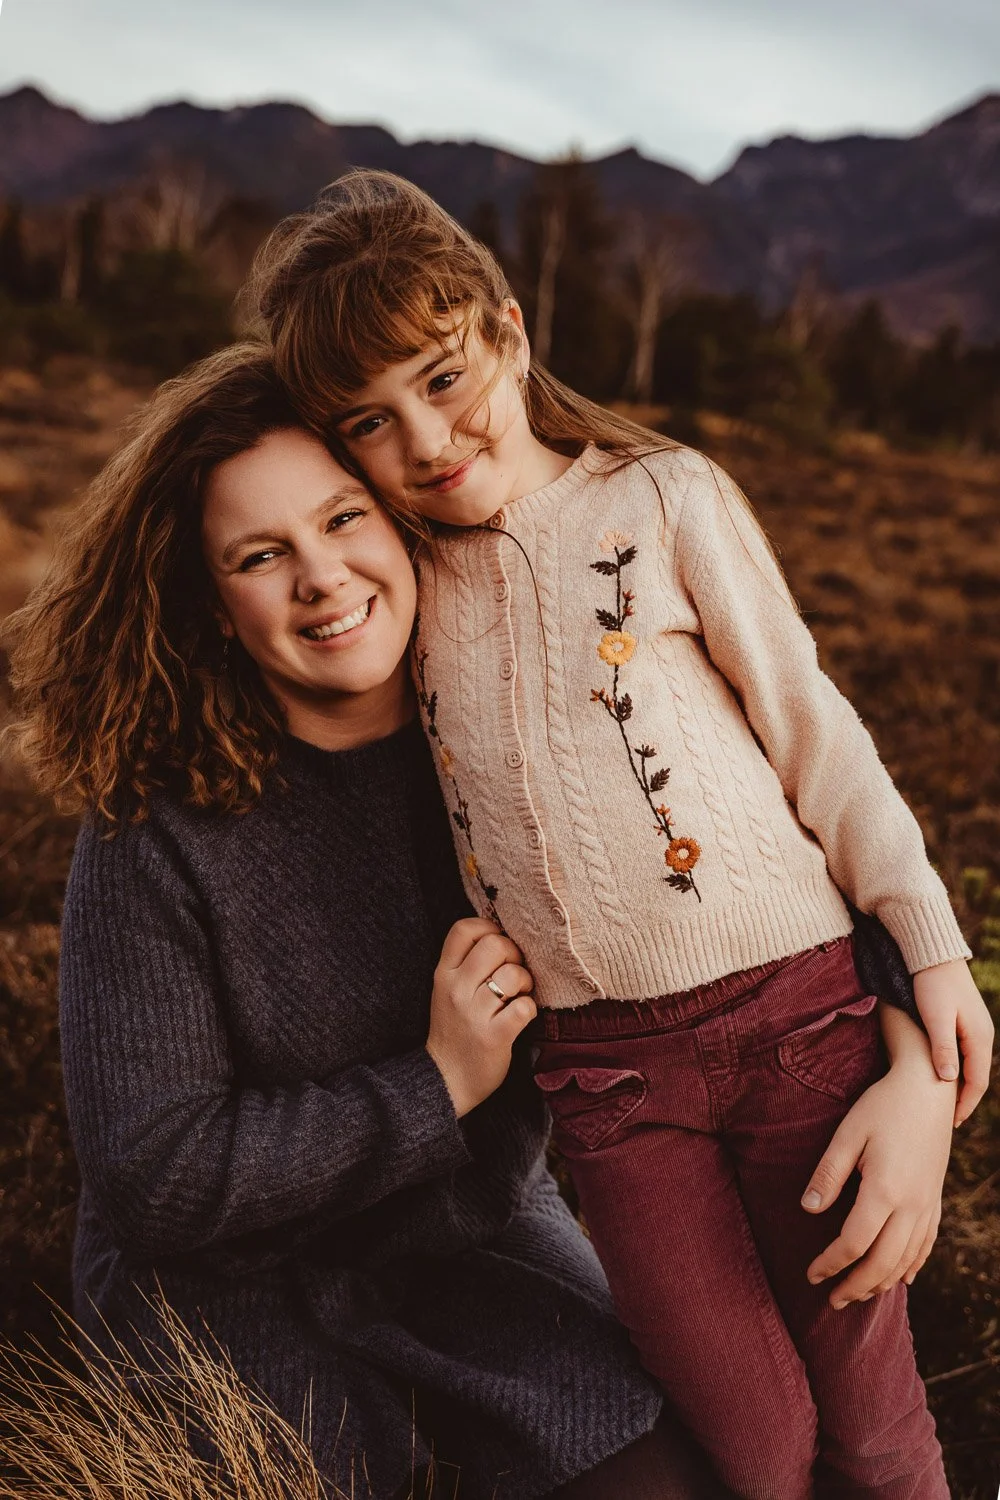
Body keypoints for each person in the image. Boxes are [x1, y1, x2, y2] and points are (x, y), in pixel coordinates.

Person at [243, 170, 995, 1499]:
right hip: (606, 1087)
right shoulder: (401, 576)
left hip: (798, 1026)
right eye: (371, 419)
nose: (423, 437)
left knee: (874, 1434)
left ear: (512, 329)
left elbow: (813, 732)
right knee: (757, 1452)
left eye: (442, 375)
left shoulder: (660, 500)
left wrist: (926, 953)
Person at [6, 344, 741, 1500]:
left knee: (683, 1475)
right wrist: (436, 1083)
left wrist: (908, 1028)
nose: (320, 577)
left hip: (472, 1246)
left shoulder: (534, 754)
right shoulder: (153, 829)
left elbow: (760, 884)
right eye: (261, 555)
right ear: (212, 604)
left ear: (402, 520)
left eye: (342, 518)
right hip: (220, 1292)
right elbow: (154, 1179)